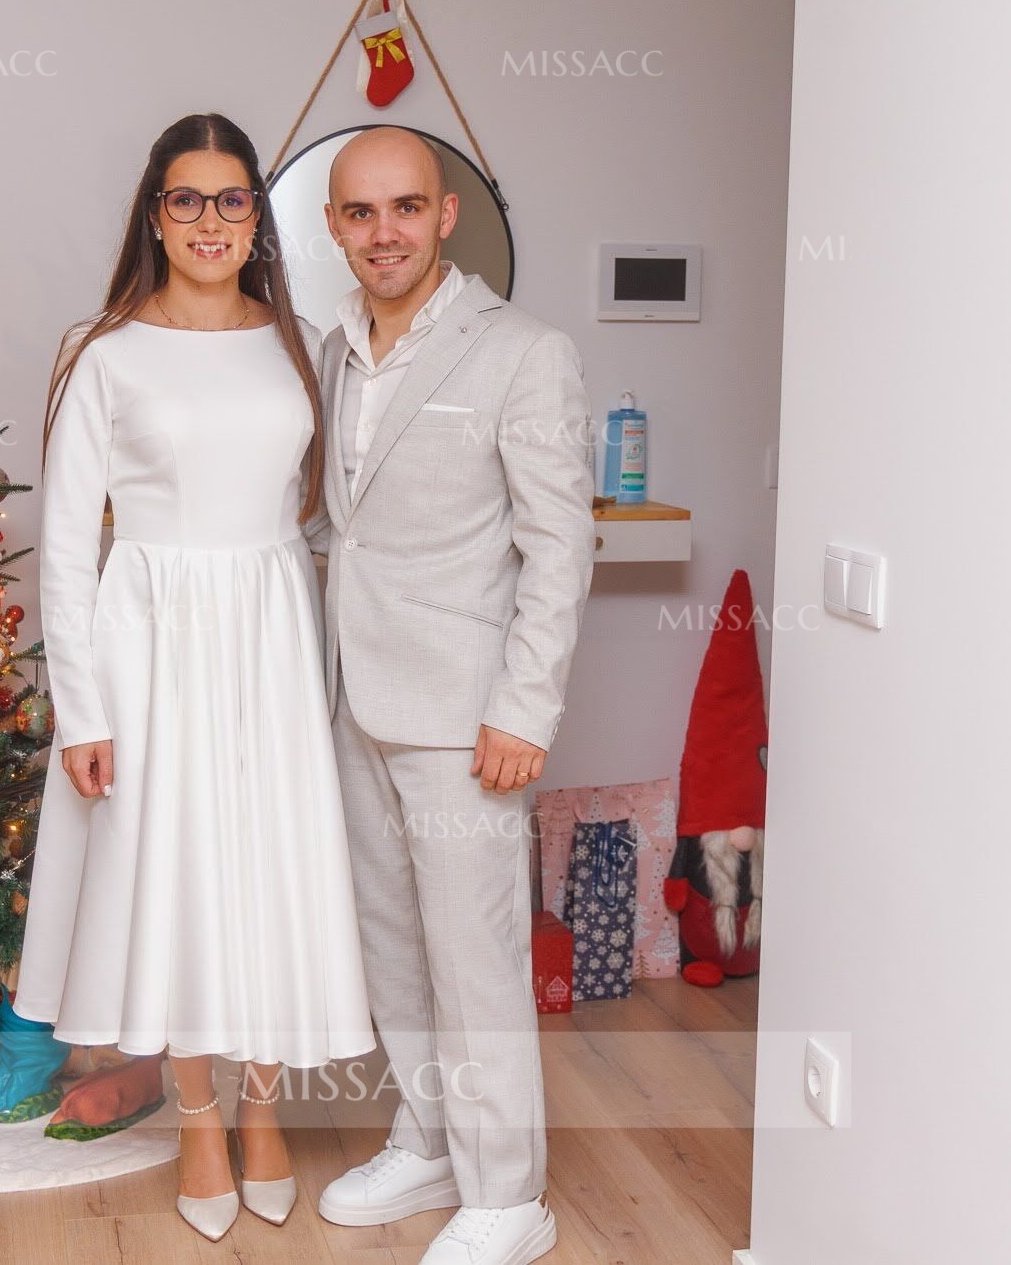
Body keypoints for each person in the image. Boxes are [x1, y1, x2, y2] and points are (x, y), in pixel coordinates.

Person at [14, 113, 375, 1243]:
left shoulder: (298, 342)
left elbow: (324, 507)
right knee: (173, 878)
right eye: (186, 199)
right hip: (149, 639)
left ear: (256, 216)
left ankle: (265, 1113)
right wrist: (82, 708)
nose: (210, 221)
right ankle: (201, 1123)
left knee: (265, 871)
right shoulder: (103, 352)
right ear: (154, 215)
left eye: (231, 199)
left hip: (271, 629)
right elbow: (65, 547)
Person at [308, 127, 596, 1265]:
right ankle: (428, 1138)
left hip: (467, 711)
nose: (384, 232)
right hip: (353, 694)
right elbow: (340, 526)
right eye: (361, 212)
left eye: (405, 207)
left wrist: (524, 708)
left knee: (474, 959)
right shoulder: (329, 349)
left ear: (445, 215)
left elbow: (560, 546)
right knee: (391, 943)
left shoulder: (523, 352)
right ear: (335, 226)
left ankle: (508, 1195)